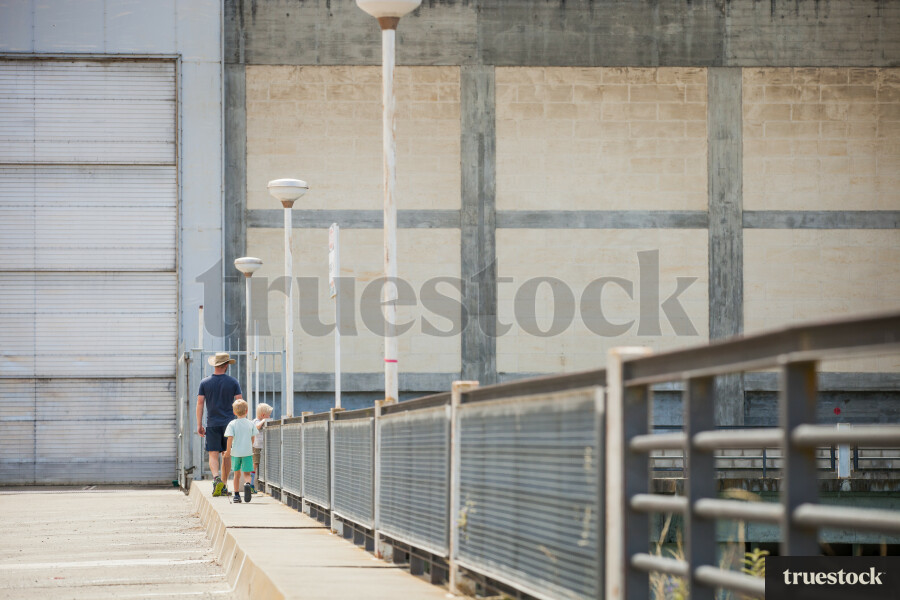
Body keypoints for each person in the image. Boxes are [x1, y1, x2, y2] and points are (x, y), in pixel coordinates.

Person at [197, 352, 243, 497]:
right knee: (227, 454)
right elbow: (239, 403)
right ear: (225, 365)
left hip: (212, 423)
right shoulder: (233, 382)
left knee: (213, 453)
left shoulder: (204, 382)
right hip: (229, 424)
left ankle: (216, 478)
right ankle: (223, 484)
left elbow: (200, 403)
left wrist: (199, 424)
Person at [224, 399, 258, 504]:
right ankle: (247, 484)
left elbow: (230, 438)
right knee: (247, 473)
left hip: (236, 453)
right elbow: (253, 438)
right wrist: (250, 445)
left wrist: (227, 451)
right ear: (246, 411)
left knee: (236, 474)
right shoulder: (250, 423)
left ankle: (237, 495)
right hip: (247, 452)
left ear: (234, 412)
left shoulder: (232, 424)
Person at [251, 403, 273, 493]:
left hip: (262, 447)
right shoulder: (256, 421)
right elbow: (257, 427)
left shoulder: (261, 421)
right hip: (256, 447)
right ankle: (251, 484)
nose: (270, 417)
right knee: (255, 464)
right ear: (263, 415)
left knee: (260, 464)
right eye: (269, 415)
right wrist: (264, 420)